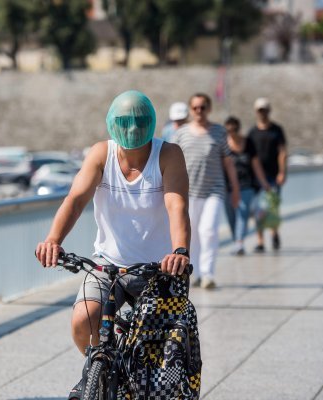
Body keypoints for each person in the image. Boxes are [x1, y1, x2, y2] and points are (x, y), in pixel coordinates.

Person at [34, 90, 191, 399]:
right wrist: (54, 240)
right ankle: (100, 370)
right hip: (108, 263)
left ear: (150, 124)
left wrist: (180, 251)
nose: (132, 129)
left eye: (139, 122)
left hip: (158, 268)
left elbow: (177, 206)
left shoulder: (168, 154)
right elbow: (76, 200)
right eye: (124, 122)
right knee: (83, 319)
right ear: (112, 123)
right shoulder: (100, 154)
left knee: (161, 355)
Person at [173, 93, 240, 290]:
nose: (199, 111)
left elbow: (228, 162)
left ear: (209, 109)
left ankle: (208, 274)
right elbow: (170, 162)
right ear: (190, 110)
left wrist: (235, 188)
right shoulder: (181, 133)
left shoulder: (219, 132)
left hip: (214, 190)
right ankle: (194, 272)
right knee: (191, 234)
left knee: (208, 231)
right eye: (195, 108)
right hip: (188, 191)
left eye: (203, 107)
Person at [224, 116, 271, 256]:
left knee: (242, 213)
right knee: (231, 216)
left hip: (246, 185)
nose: (232, 132)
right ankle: (236, 241)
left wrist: (264, 183)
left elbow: (256, 165)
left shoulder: (248, 143)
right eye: (229, 130)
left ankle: (239, 242)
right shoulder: (223, 144)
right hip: (228, 187)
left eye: (234, 129)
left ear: (238, 129)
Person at [248, 97, 287, 253]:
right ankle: (260, 241)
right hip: (256, 178)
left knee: (272, 208)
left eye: (264, 110)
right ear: (256, 112)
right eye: (259, 110)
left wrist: (283, 172)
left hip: (273, 175)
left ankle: (274, 233)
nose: (262, 113)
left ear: (269, 111)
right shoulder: (252, 132)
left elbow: (282, 152)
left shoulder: (277, 130)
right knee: (258, 210)